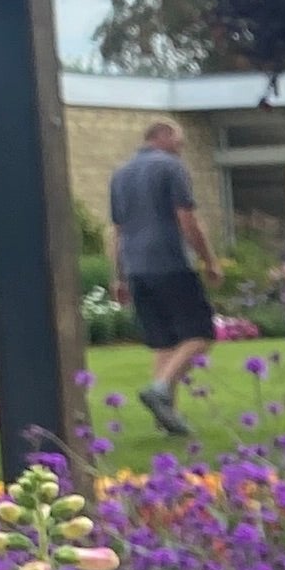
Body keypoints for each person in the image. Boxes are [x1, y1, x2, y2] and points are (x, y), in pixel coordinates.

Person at [107, 120, 218, 439]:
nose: (182, 147)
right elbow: (187, 219)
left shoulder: (121, 174)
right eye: (179, 140)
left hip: (137, 269)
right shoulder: (171, 168)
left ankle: (166, 417)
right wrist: (209, 260)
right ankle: (159, 390)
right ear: (162, 136)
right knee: (200, 333)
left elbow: (117, 230)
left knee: (164, 341)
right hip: (170, 262)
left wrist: (118, 276)